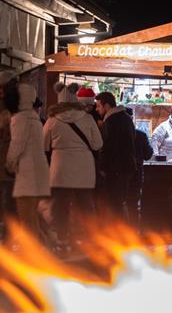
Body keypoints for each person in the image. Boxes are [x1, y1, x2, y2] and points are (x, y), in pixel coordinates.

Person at [43, 96, 103, 249]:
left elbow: (43, 144)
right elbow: (98, 144)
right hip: (84, 166)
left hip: (60, 165)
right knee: (86, 205)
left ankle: (62, 237)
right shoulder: (88, 118)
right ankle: (90, 238)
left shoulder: (52, 120)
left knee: (61, 205)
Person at [4, 78, 50, 242]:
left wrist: (9, 164)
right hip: (39, 171)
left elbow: (17, 145)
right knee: (32, 215)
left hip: (26, 172)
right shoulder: (34, 118)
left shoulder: (20, 118)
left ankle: (30, 252)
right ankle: (39, 247)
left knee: (26, 215)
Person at [94, 91, 136, 219]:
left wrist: (102, 167)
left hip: (115, 168)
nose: (97, 110)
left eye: (98, 106)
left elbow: (109, 147)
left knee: (114, 203)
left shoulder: (112, 121)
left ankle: (117, 232)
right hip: (126, 167)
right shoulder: (125, 118)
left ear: (107, 106)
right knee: (119, 202)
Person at [125, 107, 154, 231]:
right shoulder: (141, 135)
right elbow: (148, 155)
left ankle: (118, 231)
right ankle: (133, 231)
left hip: (118, 174)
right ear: (132, 118)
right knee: (133, 204)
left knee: (118, 203)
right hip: (136, 173)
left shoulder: (115, 134)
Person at [0, 71, 16, 241]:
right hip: (8, 163)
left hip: (6, 162)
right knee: (8, 198)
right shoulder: (14, 112)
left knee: (7, 197)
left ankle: (7, 232)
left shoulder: (8, 112)